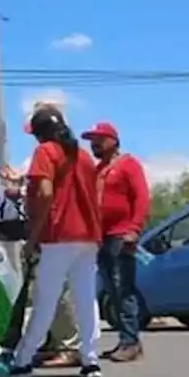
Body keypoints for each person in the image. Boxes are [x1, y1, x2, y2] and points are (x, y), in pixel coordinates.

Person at [0, 105, 103, 377]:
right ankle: (90, 359)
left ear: (40, 133)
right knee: (85, 298)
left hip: (58, 235)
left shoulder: (45, 152)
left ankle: (23, 358)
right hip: (88, 235)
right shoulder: (83, 156)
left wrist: (33, 236)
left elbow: (44, 193)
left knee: (45, 299)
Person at [82, 121, 150, 363]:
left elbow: (141, 197)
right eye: (91, 139)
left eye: (99, 138)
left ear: (113, 140)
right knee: (111, 290)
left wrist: (134, 229)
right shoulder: (97, 169)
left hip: (121, 235)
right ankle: (127, 340)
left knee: (124, 289)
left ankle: (130, 342)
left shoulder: (128, 164)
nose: (94, 143)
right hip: (102, 237)